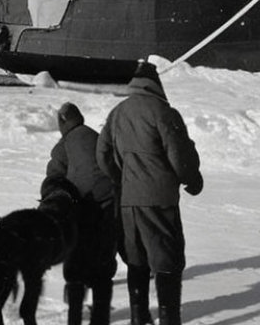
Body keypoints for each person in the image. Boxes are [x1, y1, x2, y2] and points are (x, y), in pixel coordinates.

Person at [97, 61, 203, 325]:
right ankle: (169, 319)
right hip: (159, 200)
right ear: (156, 85)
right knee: (167, 260)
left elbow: (102, 154)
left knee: (137, 259)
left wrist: (122, 179)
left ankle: (138, 316)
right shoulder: (164, 112)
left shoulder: (117, 113)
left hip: (128, 201)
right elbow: (179, 155)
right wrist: (192, 179)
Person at [46, 103, 117, 325]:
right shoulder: (95, 136)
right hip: (108, 201)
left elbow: (54, 179)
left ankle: (74, 316)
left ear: (63, 123)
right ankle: (100, 317)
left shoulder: (63, 145)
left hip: (82, 206)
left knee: (77, 259)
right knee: (103, 259)